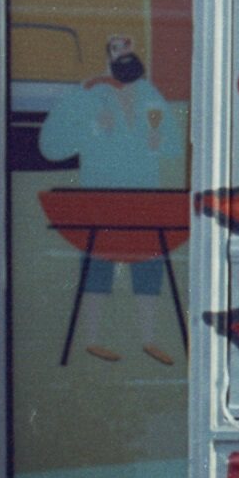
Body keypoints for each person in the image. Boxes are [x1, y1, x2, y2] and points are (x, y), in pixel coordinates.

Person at [36, 34, 185, 364]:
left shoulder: (149, 95)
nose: (124, 54)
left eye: (129, 47)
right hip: (99, 198)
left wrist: (159, 142)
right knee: (97, 265)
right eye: (117, 48)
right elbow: (51, 147)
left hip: (144, 198)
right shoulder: (87, 95)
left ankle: (148, 340)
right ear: (105, 58)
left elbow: (174, 145)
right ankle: (92, 340)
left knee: (148, 263)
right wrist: (90, 129)